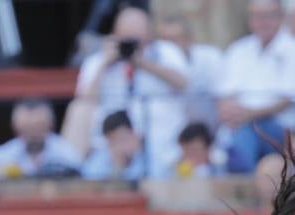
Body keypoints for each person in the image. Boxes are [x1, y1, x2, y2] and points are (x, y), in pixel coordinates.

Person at [64, 7, 189, 176]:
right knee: (78, 110)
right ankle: (70, 174)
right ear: (115, 34)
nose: (130, 45)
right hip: (108, 133)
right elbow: (85, 98)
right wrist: (106, 62)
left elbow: (184, 83)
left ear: (149, 35)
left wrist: (142, 63)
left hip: (157, 130)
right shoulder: (98, 60)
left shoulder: (165, 52)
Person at [216, 0, 295, 173]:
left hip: (283, 128)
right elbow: (224, 95)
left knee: (244, 140)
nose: (262, 21)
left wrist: (248, 115)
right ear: (250, 20)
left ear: (281, 17)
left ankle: (248, 185)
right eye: (257, 16)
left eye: (268, 16)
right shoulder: (238, 50)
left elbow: (289, 99)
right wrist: (231, 113)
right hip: (241, 125)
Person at [0, 98, 83, 179]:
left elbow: (85, 173)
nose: (33, 133)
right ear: (16, 128)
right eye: (27, 128)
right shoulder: (10, 151)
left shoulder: (66, 153)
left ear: (51, 125)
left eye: (38, 126)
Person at [155, 15, 224, 129]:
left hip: (212, 129)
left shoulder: (210, 57)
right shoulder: (155, 63)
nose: (169, 46)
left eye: (174, 39)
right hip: (175, 131)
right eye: (165, 40)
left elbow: (222, 97)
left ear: (189, 38)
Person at [81, 110, 145, 182]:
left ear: (133, 134)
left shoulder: (146, 158)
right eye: (113, 142)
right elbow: (89, 179)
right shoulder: (98, 159)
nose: (119, 146)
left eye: (123, 139)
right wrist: (117, 166)